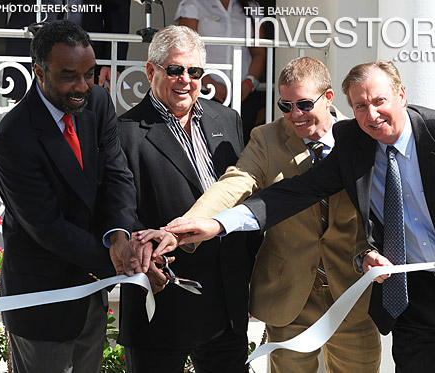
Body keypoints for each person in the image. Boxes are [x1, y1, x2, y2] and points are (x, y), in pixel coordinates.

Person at [166, 60, 435, 372]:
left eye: (379, 101)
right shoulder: (354, 143)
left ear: (401, 95)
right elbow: (294, 192)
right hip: (409, 296)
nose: (372, 114)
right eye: (360, 107)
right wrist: (217, 223)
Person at [161, 56, 381, 372]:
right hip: (289, 295)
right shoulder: (266, 138)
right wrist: (193, 222)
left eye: (304, 104)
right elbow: (237, 181)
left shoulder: (360, 135)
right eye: (286, 105)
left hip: (353, 293)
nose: (295, 114)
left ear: (328, 98)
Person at [0, 19, 161, 372]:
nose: (83, 86)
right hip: (41, 301)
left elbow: (117, 177)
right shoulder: (14, 136)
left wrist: (118, 234)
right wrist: (124, 263)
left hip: (91, 296)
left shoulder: (97, 103)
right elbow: (47, 226)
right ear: (39, 71)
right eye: (69, 75)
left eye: (89, 73)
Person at [116, 25, 252, 372]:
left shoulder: (228, 118)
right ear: (151, 71)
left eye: (194, 72)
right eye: (175, 70)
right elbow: (119, 205)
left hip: (225, 301)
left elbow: (246, 191)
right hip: (163, 295)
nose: (186, 80)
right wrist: (143, 260)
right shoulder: (124, 132)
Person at [0, 0, 131, 99]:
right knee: (24, 132)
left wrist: (114, 60)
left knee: (83, 132)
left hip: (87, 51)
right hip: (27, 50)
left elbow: (118, 7)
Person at [176, 0, 266, 144]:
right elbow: (185, 50)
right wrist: (209, 82)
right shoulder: (193, 4)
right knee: (206, 145)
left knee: (241, 147)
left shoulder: (251, 7)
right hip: (204, 92)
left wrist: (248, 84)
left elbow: (259, 52)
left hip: (244, 95)